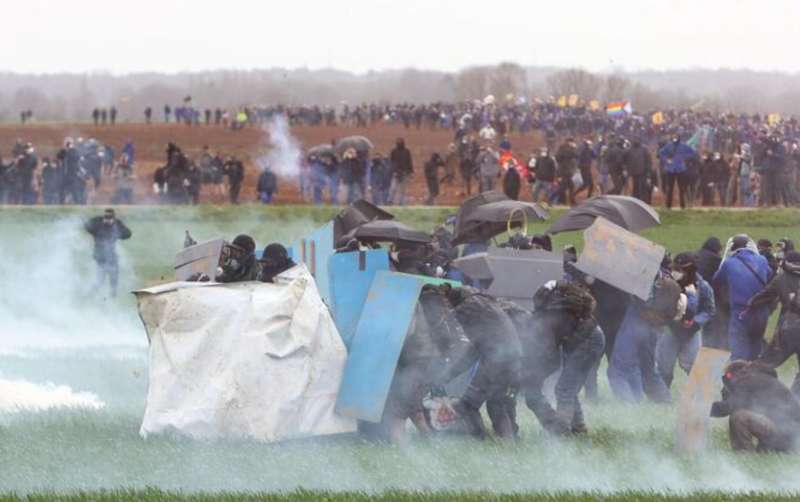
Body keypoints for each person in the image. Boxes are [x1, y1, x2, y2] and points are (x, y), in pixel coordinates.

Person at [514, 281, 604, 435]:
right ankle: (578, 428)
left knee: (564, 389)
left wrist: (531, 376)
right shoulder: (555, 311)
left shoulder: (546, 321)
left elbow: (551, 358)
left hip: (587, 342)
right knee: (568, 388)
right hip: (590, 338)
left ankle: (562, 433)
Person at [438, 284, 522, 439]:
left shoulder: (466, 308)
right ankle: (508, 442)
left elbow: (473, 351)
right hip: (514, 358)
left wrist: (448, 375)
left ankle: (480, 440)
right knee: (496, 402)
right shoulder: (487, 303)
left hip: (495, 360)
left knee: (468, 405)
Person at [711, 360, 800, 452]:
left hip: (787, 438)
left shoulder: (745, 380)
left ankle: (744, 454)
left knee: (739, 416)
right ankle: (766, 449)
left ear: (731, 375)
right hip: (792, 437)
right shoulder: (760, 379)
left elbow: (729, 407)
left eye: (727, 377)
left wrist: (703, 409)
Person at [656, 252, 716, 388]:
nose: (678, 272)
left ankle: (697, 397)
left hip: (692, 332)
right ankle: (661, 396)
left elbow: (709, 310)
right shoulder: (667, 283)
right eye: (676, 269)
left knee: (694, 366)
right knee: (664, 366)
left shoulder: (703, 286)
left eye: (682, 269)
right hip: (670, 329)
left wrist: (695, 322)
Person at [713, 235, 772, 360]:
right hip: (762, 311)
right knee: (756, 345)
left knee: (739, 348)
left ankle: (740, 373)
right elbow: (769, 274)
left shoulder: (729, 263)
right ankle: (754, 372)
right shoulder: (762, 259)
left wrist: (724, 259)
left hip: (741, 311)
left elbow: (716, 279)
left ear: (733, 247)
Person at [750, 251, 800, 396]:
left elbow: (764, 296)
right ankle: (794, 405)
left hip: (789, 328)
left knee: (765, 364)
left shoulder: (781, 278)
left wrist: (749, 304)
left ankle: (753, 394)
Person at [84, 209, 132, 298]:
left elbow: (128, 234)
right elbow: (87, 226)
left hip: (112, 256)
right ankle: (89, 295)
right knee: (100, 280)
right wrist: (97, 219)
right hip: (100, 256)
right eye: (106, 217)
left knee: (114, 279)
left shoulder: (116, 225)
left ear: (113, 218)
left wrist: (117, 225)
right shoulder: (98, 224)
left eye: (110, 217)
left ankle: (112, 296)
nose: (107, 219)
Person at [658, 135, 697, 209]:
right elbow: (661, 153)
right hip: (670, 169)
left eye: (676, 137)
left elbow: (692, 152)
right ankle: (668, 206)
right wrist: (666, 160)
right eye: (673, 137)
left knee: (682, 189)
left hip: (680, 169)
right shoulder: (668, 145)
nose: (675, 138)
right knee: (670, 188)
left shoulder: (683, 145)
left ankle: (683, 205)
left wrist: (684, 157)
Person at [554, 138, 578, 205]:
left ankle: (565, 201)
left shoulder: (561, 148)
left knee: (567, 187)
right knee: (564, 187)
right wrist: (574, 148)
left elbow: (557, 158)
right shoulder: (568, 149)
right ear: (569, 142)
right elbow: (576, 155)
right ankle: (552, 198)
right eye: (572, 142)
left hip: (564, 171)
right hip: (565, 171)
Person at [389, 138, 413, 205]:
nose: (399, 144)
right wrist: (392, 171)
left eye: (400, 142)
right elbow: (391, 162)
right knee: (393, 188)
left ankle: (401, 202)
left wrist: (410, 172)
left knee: (403, 189)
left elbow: (409, 161)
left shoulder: (407, 151)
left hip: (404, 172)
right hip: (396, 172)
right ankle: (390, 200)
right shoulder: (394, 151)